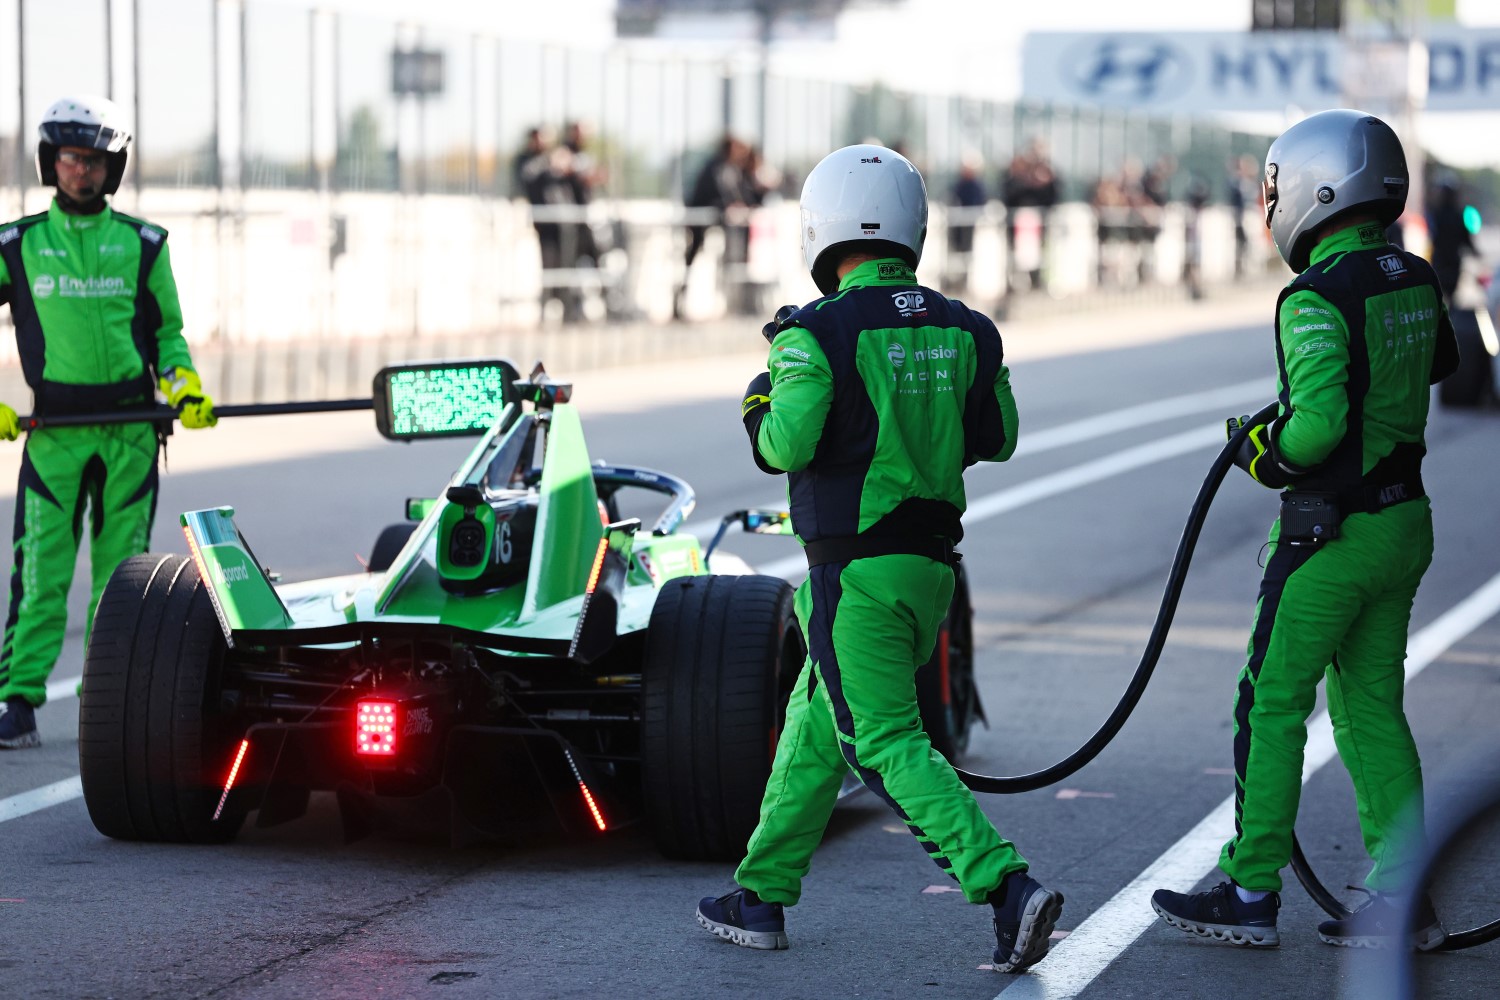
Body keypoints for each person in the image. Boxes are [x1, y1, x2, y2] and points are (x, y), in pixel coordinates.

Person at [696, 144, 1064, 974]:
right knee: (816, 725)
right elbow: (998, 439)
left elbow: (782, 443)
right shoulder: (969, 328)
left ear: (820, 231)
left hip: (853, 573)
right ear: (914, 228)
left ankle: (1006, 888)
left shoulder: (812, 332)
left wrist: (759, 395)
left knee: (885, 740)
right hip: (932, 571)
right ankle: (761, 895)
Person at [1150, 109, 1459, 950]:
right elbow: (1438, 365)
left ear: (1321, 187)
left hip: (1333, 538)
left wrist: (1261, 452)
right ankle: (1404, 900)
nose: (1272, 201)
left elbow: (1315, 427)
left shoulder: (1316, 294)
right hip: (1405, 525)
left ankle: (1250, 892)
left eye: (1278, 186)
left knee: (1270, 703)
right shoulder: (1415, 275)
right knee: (1371, 712)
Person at [0, 94, 217, 749]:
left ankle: (109, 700)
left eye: (93, 158)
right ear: (50, 162)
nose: (80, 170)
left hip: (130, 432)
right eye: (69, 156)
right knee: (42, 575)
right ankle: (18, 701)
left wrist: (184, 390)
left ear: (112, 166)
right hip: (54, 436)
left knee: (122, 578)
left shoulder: (145, 245)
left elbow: (169, 335)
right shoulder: (16, 244)